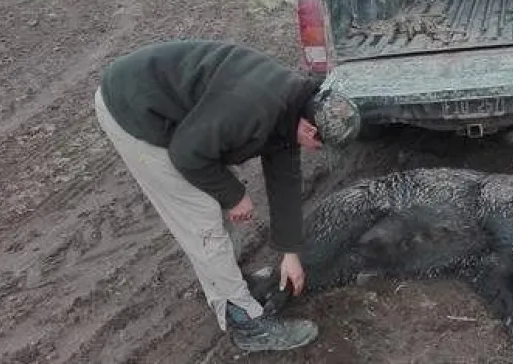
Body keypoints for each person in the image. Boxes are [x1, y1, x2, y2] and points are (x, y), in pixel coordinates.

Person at [93, 39, 360, 351]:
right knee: (202, 215)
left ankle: (229, 282)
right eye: (319, 145)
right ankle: (245, 322)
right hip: (133, 108)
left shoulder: (291, 106)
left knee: (215, 198)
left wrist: (290, 252)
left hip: (176, 112)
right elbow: (187, 155)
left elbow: (285, 180)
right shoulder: (253, 109)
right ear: (311, 131)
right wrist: (234, 195)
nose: (315, 150)